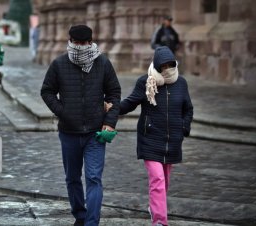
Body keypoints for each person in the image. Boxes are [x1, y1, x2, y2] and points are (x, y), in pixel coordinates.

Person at [41, 25, 121, 226]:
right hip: (69, 132)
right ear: (70, 41)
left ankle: (91, 223)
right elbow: (47, 91)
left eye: (83, 43)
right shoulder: (59, 64)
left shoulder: (102, 63)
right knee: (72, 178)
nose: (80, 47)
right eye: (76, 43)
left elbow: (114, 93)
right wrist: (63, 111)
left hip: (95, 133)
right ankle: (80, 215)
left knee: (94, 178)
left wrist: (109, 122)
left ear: (90, 42)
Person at [118, 46, 193, 226]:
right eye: (163, 65)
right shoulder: (146, 81)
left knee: (164, 181)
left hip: (172, 141)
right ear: (157, 66)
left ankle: (155, 207)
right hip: (150, 139)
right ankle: (160, 221)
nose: (167, 68)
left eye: (170, 64)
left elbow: (188, 108)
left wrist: (184, 126)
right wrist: (111, 109)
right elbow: (130, 103)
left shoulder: (181, 83)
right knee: (157, 179)